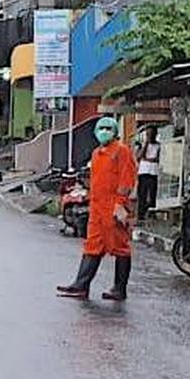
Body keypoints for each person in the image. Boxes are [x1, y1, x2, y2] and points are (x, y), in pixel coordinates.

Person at [57, 116, 137, 301]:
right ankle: (81, 285)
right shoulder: (96, 153)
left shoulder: (122, 151)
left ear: (115, 132)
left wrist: (121, 203)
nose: (104, 132)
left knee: (120, 247)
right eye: (101, 128)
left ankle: (119, 288)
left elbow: (127, 179)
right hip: (97, 207)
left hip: (114, 206)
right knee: (92, 245)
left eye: (108, 128)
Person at [136, 126, 161, 220]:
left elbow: (158, 158)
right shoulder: (142, 145)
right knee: (142, 193)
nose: (149, 136)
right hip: (143, 172)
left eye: (151, 134)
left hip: (153, 172)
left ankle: (151, 213)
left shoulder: (158, 145)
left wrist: (147, 159)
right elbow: (139, 156)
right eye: (148, 134)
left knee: (152, 193)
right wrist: (145, 144)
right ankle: (141, 214)